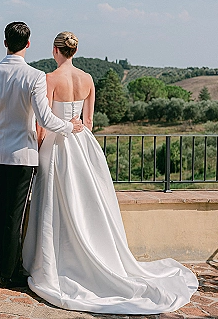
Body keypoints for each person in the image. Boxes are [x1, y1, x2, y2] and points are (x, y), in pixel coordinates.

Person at [22, 31, 198, 314]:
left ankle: (52, 260)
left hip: (57, 145)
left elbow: (44, 123)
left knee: (53, 202)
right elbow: (88, 121)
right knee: (86, 199)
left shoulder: (49, 79)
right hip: (82, 142)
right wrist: (78, 134)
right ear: (74, 52)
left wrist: (42, 145)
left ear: (55, 51)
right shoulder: (88, 79)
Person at [0, 22, 83, 289]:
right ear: (28, 44)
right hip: (23, 156)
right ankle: (10, 272)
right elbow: (44, 118)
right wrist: (70, 126)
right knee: (16, 215)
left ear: (5, 42)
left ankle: (2, 266)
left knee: (0, 211)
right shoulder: (34, 76)